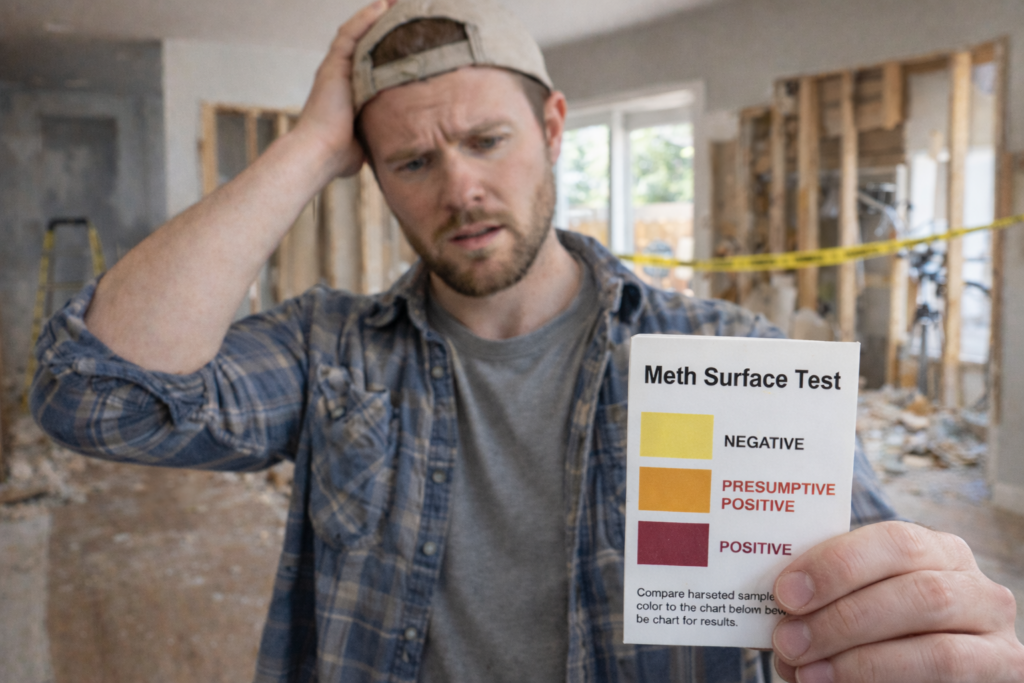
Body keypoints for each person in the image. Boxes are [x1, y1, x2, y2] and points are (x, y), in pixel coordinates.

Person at [30, 0, 1024, 681]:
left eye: (486, 141)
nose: (457, 187)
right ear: (368, 177)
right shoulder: (330, 353)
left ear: (552, 128)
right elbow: (95, 391)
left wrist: (924, 617)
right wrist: (307, 148)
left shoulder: (727, 355)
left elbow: (875, 597)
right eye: (411, 160)